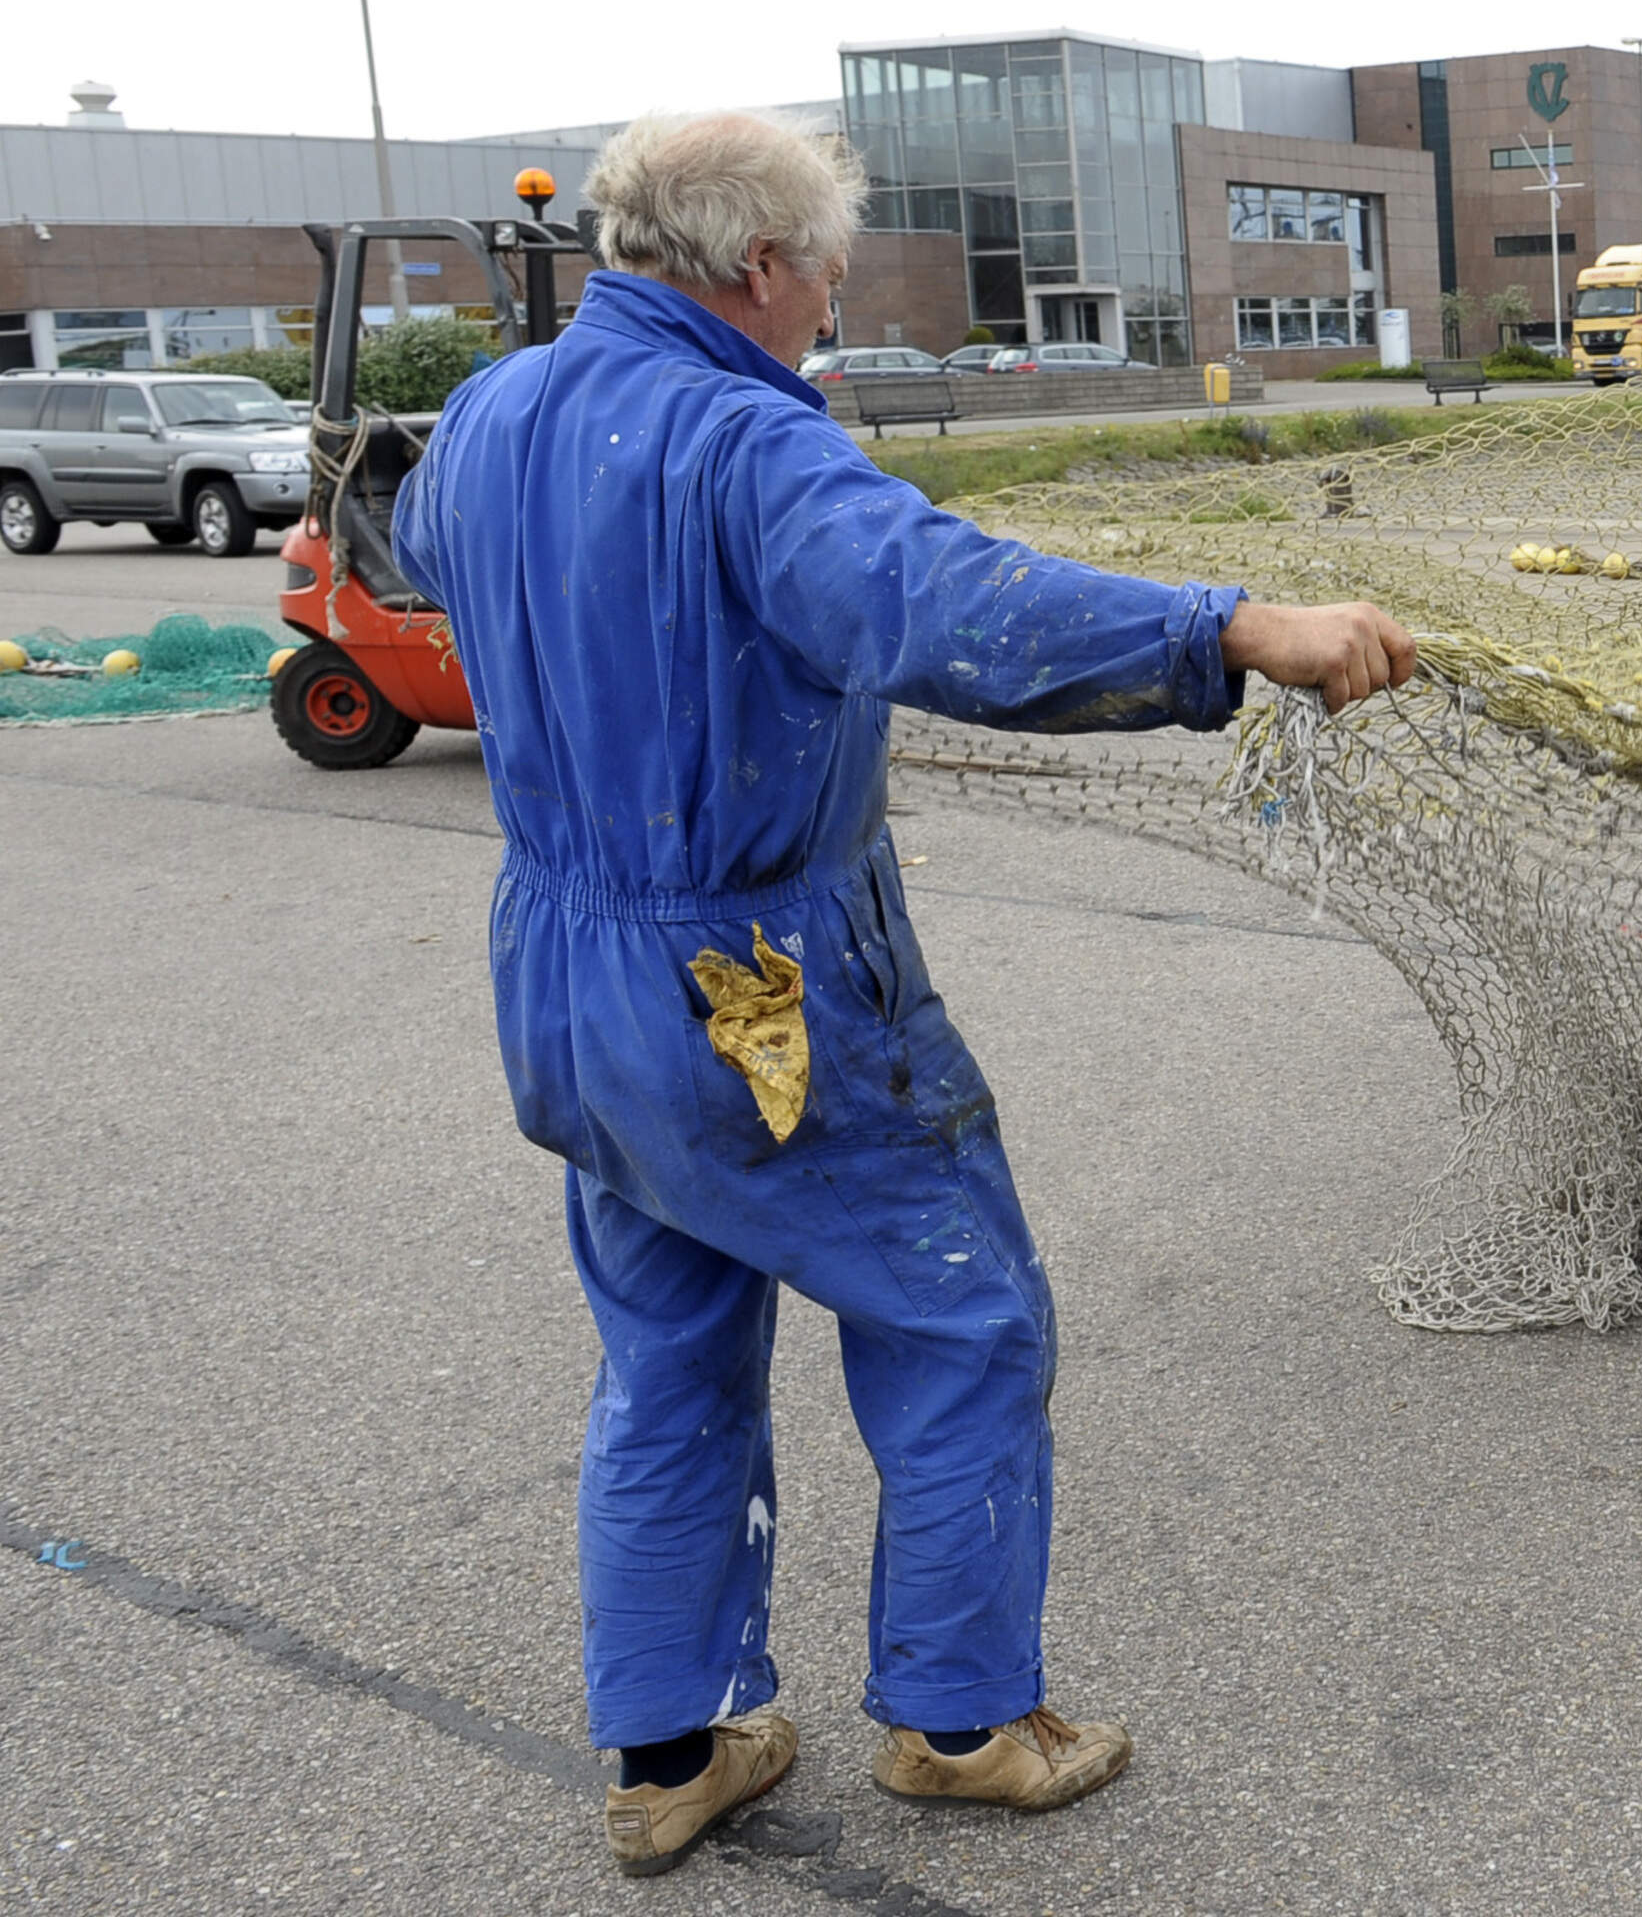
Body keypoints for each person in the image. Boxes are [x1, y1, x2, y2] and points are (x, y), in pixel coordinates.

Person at [397, 110, 1412, 1877]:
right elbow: (941, 599)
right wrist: (1232, 629)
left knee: (668, 1360)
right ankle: (962, 1725)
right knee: (961, 1316)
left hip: (563, 976)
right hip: (749, 993)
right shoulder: (740, 443)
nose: (826, 320)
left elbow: (420, 548)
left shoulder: (491, 413)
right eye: (828, 286)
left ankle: (665, 1751)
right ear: (760, 269)